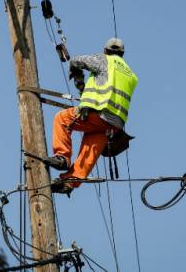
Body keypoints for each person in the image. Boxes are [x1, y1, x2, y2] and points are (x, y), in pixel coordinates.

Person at [44, 38, 138, 195]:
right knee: (90, 150)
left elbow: (76, 61)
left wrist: (79, 81)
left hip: (99, 114)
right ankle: (70, 183)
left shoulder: (104, 60)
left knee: (61, 118)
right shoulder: (131, 74)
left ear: (105, 50)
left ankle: (62, 158)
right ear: (122, 54)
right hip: (114, 125)